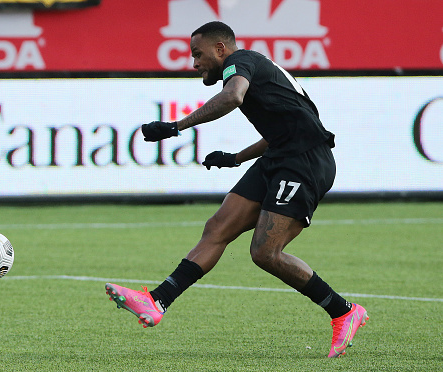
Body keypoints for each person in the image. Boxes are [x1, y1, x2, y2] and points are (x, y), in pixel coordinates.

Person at [105, 21, 368, 358]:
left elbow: (233, 96)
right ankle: (157, 301)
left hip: (304, 162)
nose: (194, 63)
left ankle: (343, 311)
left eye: (198, 55)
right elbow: (284, 127)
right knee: (217, 227)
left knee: (264, 252)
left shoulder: (239, 61)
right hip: (279, 155)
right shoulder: (255, 67)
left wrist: (175, 126)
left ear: (220, 49)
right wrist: (236, 158)